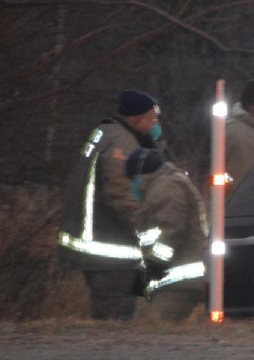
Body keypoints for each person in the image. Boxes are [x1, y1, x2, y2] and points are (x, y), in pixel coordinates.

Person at [58, 90, 163, 320]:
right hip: (110, 251)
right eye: (152, 119)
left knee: (109, 314)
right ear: (137, 119)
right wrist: (148, 234)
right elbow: (122, 194)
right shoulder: (122, 144)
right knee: (114, 320)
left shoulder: (105, 132)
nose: (155, 125)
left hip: (97, 243)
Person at [128, 148, 208, 322]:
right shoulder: (161, 187)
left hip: (178, 280)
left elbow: (171, 229)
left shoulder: (166, 188)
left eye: (132, 179)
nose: (130, 185)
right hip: (170, 278)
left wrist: (155, 263)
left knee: (159, 329)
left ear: (141, 175)